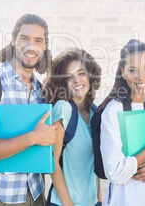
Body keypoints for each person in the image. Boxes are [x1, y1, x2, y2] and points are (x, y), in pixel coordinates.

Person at [0, 14, 57, 206]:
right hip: (0, 196)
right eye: (24, 38)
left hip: (36, 192)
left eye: (38, 41)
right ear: (13, 41)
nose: (31, 46)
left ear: (44, 47)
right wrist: (33, 137)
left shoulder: (40, 91)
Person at [98, 39, 145, 206]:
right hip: (126, 198)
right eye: (132, 70)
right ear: (123, 72)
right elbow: (114, 172)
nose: (141, 76)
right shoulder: (114, 110)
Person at [43, 47, 102, 206]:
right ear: (63, 83)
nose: (77, 80)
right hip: (64, 203)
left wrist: (100, 199)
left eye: (81, 73)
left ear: (90, 76)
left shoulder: (95, 112)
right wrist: (68, 203)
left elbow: (95, 162)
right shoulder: (64, 108)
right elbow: (52, 162)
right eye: (70, 77)